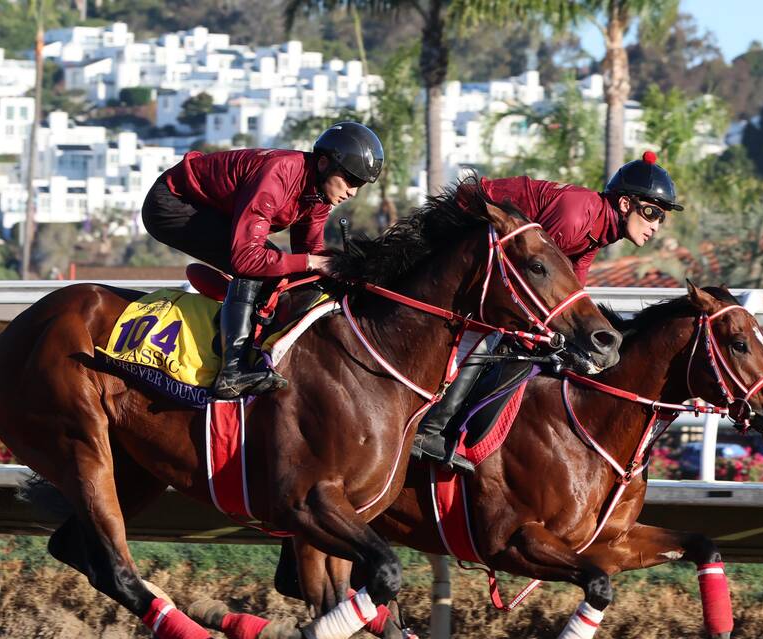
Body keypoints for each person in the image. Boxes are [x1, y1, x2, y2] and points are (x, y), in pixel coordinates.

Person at [412, 151, 683, 472]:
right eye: (652, 213)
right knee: (495, 334)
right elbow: (536, 273)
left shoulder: (599, 230)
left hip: (498, 238)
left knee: (539, 345)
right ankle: (430, 430)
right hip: (466, 219)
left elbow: (573, 288)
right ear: (625, 204)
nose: (655, 226)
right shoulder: (576, 216)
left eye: (662, 218)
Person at [142, 122, 384, 399]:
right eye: (350, 180)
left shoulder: (318, 196)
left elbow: (310, 252)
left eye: (360, 185)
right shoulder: (279, 174)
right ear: (323, 163)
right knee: (257, 265)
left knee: (281, 268)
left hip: (212, 209)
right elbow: (247, 259)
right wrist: (313, 262)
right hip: (171, 203)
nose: (353, 192)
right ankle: (232, 371)